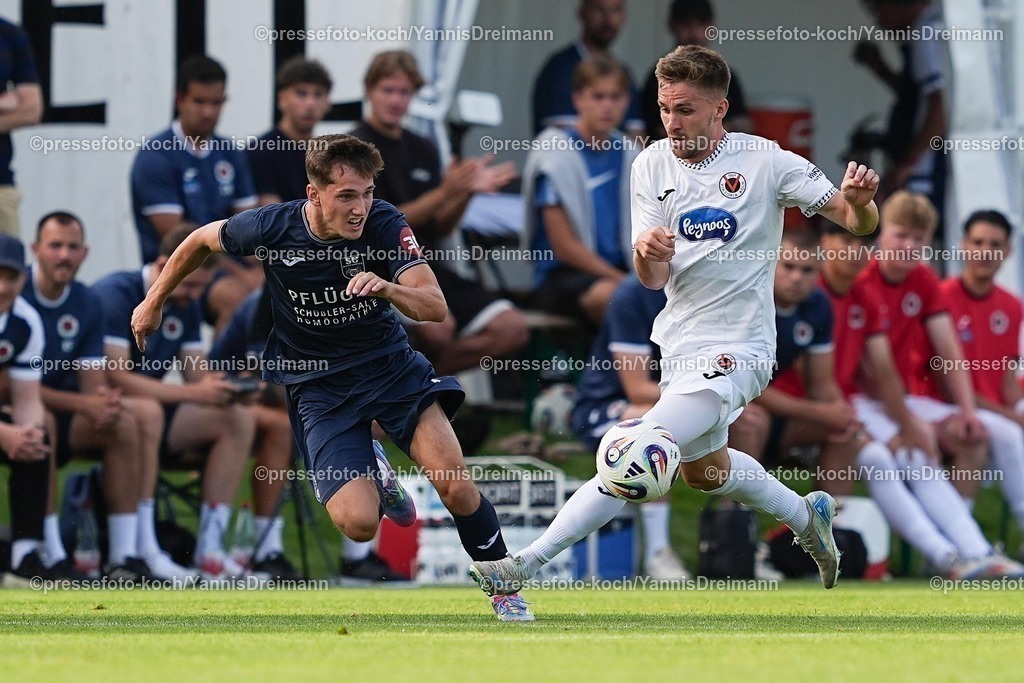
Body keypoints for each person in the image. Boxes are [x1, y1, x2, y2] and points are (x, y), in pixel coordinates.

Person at [469, 45, 880, 601]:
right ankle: (808, 515)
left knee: (640, 451)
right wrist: (647, 250)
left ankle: (523, 564)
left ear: (719, 109)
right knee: (703, 471)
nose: (672, 121)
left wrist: (861, 206)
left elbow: (854, 221)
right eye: (664, 107)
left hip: (741, 348)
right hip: (680, 344)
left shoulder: (766, 160)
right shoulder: (650, 164)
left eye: (685, 109)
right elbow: (651, 278)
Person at [130, 134, 534, 621]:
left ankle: (505, 590)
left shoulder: (385, 223)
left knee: (455, 485)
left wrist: (387, 288)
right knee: (359, 524)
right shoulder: (271, 227)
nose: (360, 207)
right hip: (318, 389)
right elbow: (198, 240)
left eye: (366, 192)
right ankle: (377, 469)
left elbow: (435, 306)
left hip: (391, 371)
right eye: (347, 195)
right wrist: (152, 300)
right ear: (314, 195)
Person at [736, 226, 1021, 578]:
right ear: (827, 245)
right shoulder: (799, 296)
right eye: (846, 242)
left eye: (863, 244)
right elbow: (774, 385)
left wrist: (902, 425)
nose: (855, 252)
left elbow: (874, 373)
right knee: (874, 453)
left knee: (902, 450)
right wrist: (859, 421)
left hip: (830, 412)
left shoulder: (849, 297)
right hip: (781, 414)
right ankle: (737, 547)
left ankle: (966, 554)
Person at [23, 211, 195, 581]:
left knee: (134, 416)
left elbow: (92, 385)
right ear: (36, 250)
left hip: (65, 411)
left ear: (85, 253)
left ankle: (127, 555)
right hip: (21, 414)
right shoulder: (17, 296)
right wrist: (87, 403)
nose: (64, 255)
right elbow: (13, 387)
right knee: (41, 420)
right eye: (55, 246)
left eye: (72, 247)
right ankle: (49, 551)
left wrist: (101, 405)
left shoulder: (85, 301)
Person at [349, 51, 527, 377]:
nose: (396, 100)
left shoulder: (423, 147)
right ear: (369, 91)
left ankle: (419, 383)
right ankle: (414, 392)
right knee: (438, 328)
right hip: (377, 270)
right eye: (388, 90)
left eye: (404, 92)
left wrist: (465, 192)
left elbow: (441, 227)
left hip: (427, 266)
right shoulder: (355, 149)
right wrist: (447, 191)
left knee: (512, 328)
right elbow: (376, 225)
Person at [94, 224, 255, 581]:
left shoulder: (187, 303)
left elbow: (196, 375)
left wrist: (231, 385)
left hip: (152, 411)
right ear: (167, 265)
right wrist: (194, 393)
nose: (195, 297)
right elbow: (114, 378)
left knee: (239, 418)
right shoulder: (116, 294)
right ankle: (143, 549)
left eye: (201, 288)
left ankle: (211, 553)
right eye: (191, 284)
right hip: (103, 409)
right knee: (147, 412)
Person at [855, 191, 1024, 522]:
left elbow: (958, 356)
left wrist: (971, 412)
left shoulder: (1007, 303)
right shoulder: (868, 282)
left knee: (975, 437)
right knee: (911, 452)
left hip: (909, 401)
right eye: (900, 235)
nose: (908, 245)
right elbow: (885, 372)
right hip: (888, 399)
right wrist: (912, 422)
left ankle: (965, 550)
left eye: (917, 238)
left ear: (1008, 251)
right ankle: (948, 551)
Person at [569, 273, 690, 579]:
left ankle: (737, 541)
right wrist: (706, 392)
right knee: (653, 429)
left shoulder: (708, 291)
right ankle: (657, 553)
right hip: (603, 407)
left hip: (680, 398)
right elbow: (637, 389)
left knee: (745, 420)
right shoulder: (632, 296)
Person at [130, 54, 259, 333]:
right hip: (180, 270)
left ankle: (265, 374)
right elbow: (179, 238)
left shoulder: (230, 152)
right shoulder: (156, 156)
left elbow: (251, 224)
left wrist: (265, 269)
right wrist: (243, 275)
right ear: (180, 100)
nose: (208, 112)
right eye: (200, 101)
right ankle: (223, 373)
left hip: (227, 265)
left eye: (216, 102)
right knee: (236, 296)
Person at [928, 210, 1024, 534]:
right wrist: (1014, 418)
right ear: (963, 245)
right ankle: (961, 541)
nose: (986, 251)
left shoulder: (1012, 305)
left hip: (992, 408)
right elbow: (945, 383)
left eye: (995, 244)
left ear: (1008, 252)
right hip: (950, 406)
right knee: (1008, 434)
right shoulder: (940, 297)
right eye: (978, 242)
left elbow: (1007, 381)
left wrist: (1016, 409)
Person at [523, 57, 638, 325]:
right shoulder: (555, 154)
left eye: (615, 97)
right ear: (578, 100)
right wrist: (624, 281)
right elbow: (564, 248)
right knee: (618, 298)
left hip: (622, 270)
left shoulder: (632, 154)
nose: (607, 105)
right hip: (563, 275)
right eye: (598, 96)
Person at [0, 234, 67, 584]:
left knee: (37, 438)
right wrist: (5, 434)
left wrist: (25, 435)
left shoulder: (26, 322)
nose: (2, 287)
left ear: (22, 278)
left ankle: (24, 555)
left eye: (10, 277)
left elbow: (27, 399)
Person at [854, 0, 946, 209]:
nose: (879, 22)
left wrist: (909, 163)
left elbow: (940, 106)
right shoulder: (926, 29)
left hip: (926, 171)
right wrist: (879, 68)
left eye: (878, 10)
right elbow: (915, 98)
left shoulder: (925, 33)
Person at [640, 0, 751, 141]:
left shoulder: (726, 76)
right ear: (672, 26)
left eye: (701, 24)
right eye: (686, 25)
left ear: (712, 26)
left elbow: (743, 124)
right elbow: (656, 130)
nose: (695, 33)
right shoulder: (658, 77)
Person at [531, 0, 644, 137]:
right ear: (582, 13)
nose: (608, 19)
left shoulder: (623, 72)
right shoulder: (560, 69)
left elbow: (636, 136)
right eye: (599, 10)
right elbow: (562, 137)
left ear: (624, 16)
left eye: (615, 10)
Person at [248, 57, 333, 205]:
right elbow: (272, 217)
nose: (310, 103)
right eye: (301, 93)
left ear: (328, 102)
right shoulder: (261, 152)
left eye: (318, 94)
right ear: (282, 99)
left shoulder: (329, 155)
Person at [0, 17, 43, 237]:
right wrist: (6, 101)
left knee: (7, 269)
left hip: (1, 185)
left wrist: (17, 102)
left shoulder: (9, 33)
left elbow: (32, 109)